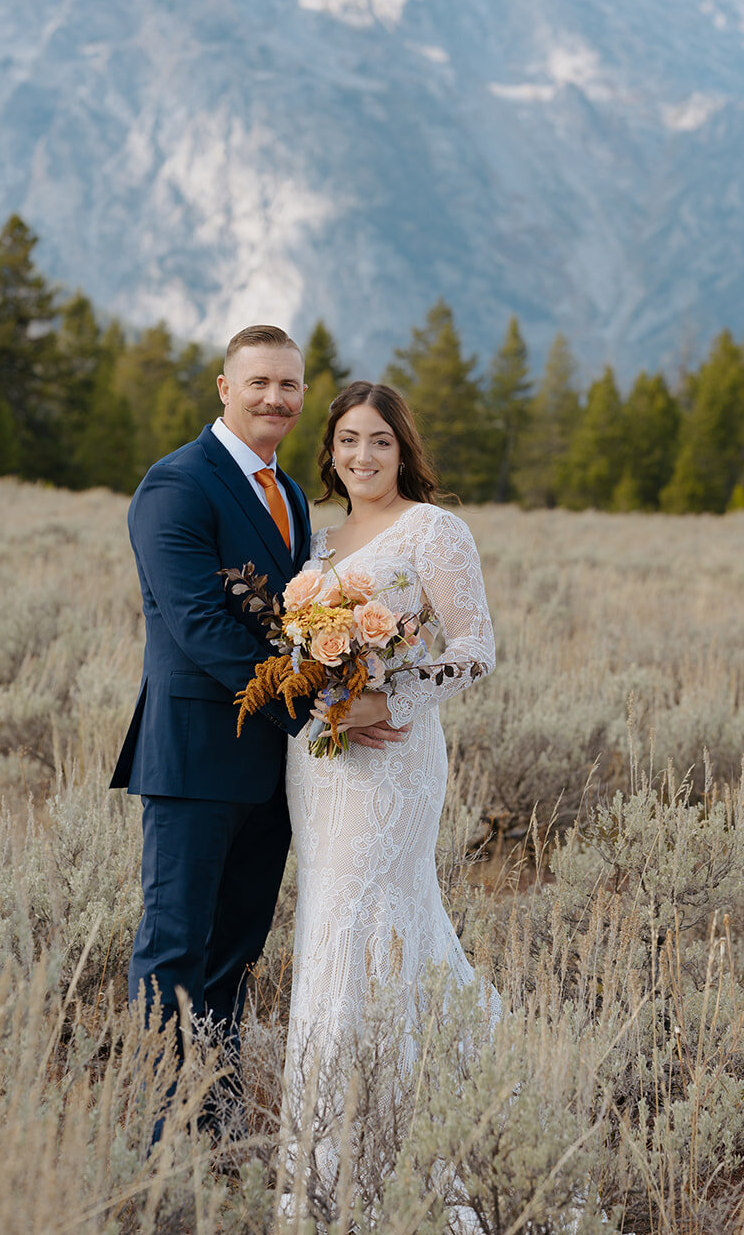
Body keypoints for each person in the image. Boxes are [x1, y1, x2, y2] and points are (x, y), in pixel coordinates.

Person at [110, 324, 373, 1119]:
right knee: (174, 948)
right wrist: (321, 705)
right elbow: (200, 627)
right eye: (258, 382)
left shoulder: (288, 492)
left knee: (235, 953)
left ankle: (214, 1119)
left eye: (288, 386)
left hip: (273, 766)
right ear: (224, 388)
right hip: (194, 758)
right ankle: (157, 1134)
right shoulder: (176, 485)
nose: (275, 399)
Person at [283, 379, 497, 1129]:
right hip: (317, 763)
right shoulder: (312, 538)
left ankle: (395, 1126)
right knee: (327, 914)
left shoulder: (432, 530)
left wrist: (389, 699)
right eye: (348, 440)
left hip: (393, 754)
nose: (363, 454)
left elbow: (475, 649)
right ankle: (325, 1140)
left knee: (370, 914)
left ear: (402, 448)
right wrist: (315, 692)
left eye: (380, 439)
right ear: (330, 451)